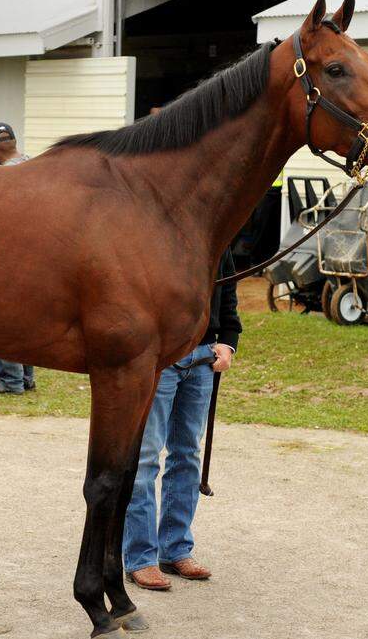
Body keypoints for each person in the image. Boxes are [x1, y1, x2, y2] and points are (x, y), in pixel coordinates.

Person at [123, 251, 241, 590]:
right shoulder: (159, 237)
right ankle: (140, 558)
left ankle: (174, 549)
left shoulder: (218, 241)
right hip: (161, 358)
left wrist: (228, 344)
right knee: (145, 458)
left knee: (187, 455)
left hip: (203, 359)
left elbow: (228, 294)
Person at [0, 122, 37, 395]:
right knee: (26, 321)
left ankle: (10, 380)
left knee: (1, 320)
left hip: (9, 258)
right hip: (36, 258)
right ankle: (26, 377)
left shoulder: (1, 178)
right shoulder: (35, 167)